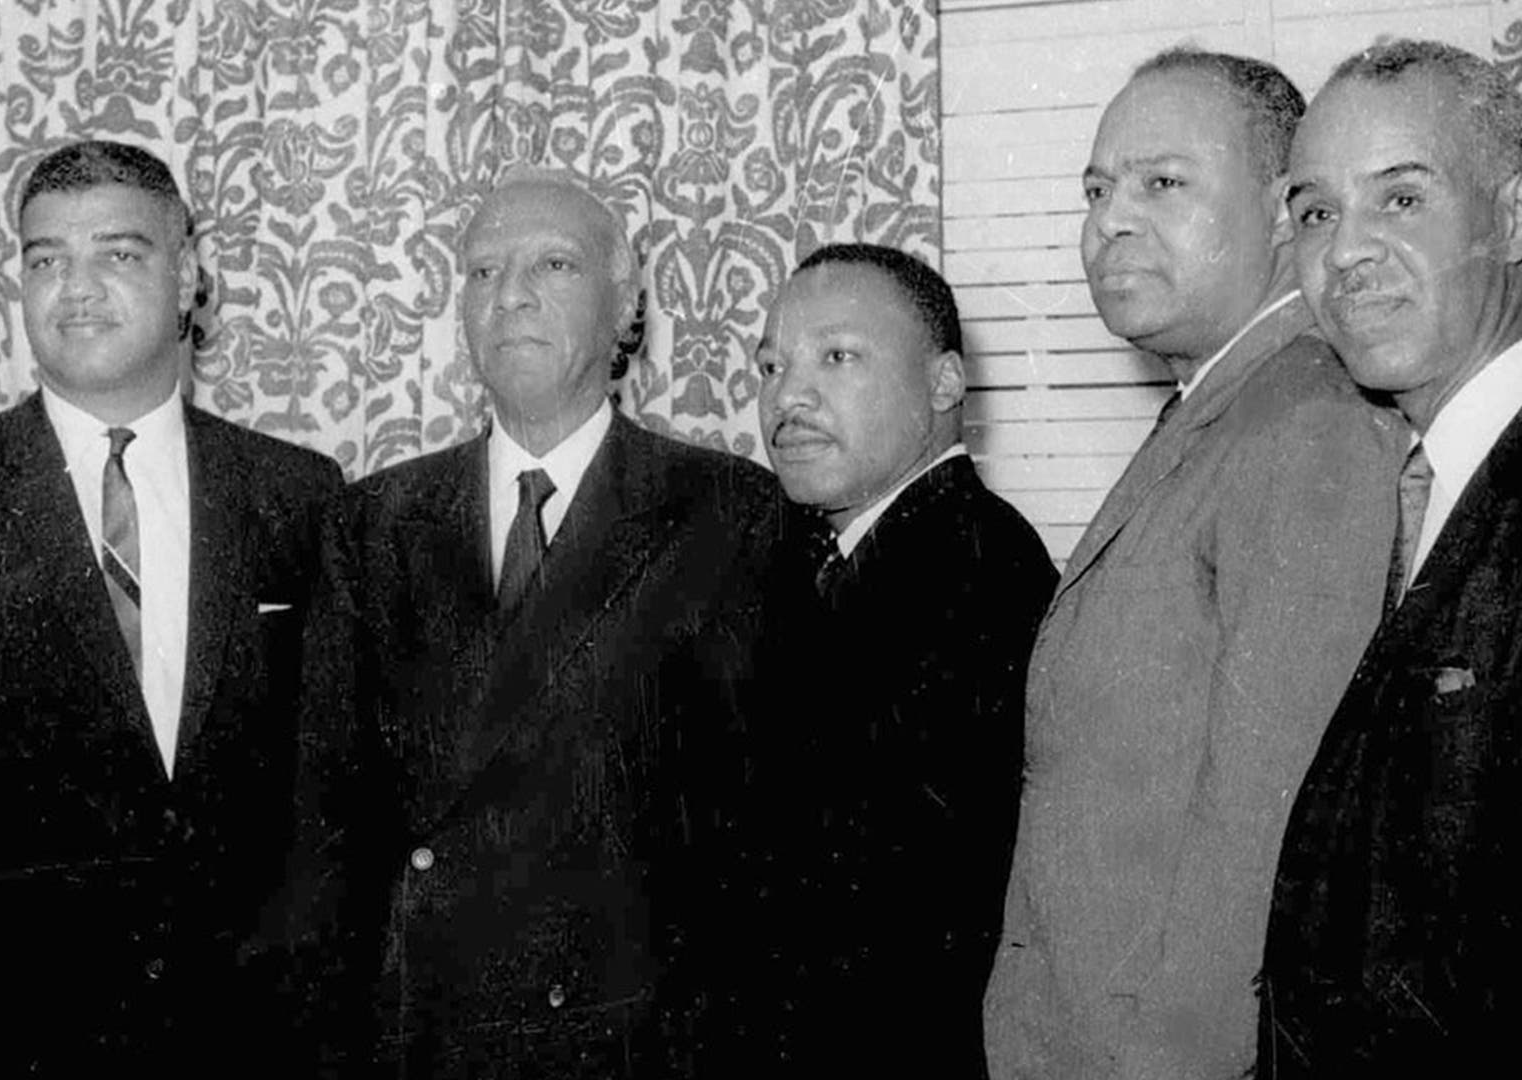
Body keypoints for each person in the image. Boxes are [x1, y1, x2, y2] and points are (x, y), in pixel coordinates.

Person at [0, 140, 344, 1075]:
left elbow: (329, 807)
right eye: (46, 259)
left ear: (188, 278)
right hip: (4, 1046)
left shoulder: (298, 498)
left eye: (120, 254)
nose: (78, 288)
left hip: (249, 1045)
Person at [985, 48, 1405, 1079]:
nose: (1109, 221)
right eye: (1096, 190)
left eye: (1162, 184)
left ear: (1281, 212)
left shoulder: (1308, 419)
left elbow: (1260, 847)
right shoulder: (1219, 409)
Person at [322, 165, 784, 1075]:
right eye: (484, 273)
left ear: (628, 308)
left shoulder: (726, 511)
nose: (512, 297)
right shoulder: (373, 520)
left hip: (630, 1040)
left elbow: (756, 847)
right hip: (425, 1040)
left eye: (555, 267)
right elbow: (327, 837)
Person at [1259, 39, 1522, 1076]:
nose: (1346, 252)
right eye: (1316, 212)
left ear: (1510, 216)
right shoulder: (1407, 491)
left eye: (1400, 200)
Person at [741, 242, 1055, 1074]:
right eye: (770, 366)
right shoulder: (829, 557)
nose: (788, 396)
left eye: (837, 357)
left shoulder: (977, 568)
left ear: (946, 383)